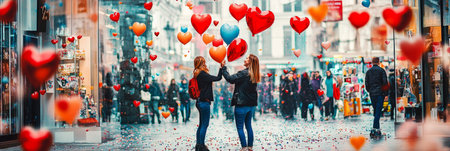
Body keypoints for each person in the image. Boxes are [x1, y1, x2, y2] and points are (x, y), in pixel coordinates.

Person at [221, 54, 260, 151]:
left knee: (240, 127)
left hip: (241, 104)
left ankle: (244, 147)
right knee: (248, 126)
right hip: (251, 105)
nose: (245, 59)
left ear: (250, 62)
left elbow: (230, 79)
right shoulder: (254, 74)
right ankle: (250, 147)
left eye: (247, 58)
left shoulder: (244, 73)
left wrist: (223, 68)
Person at [194, 56, 223, 151]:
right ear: (202, 63)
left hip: (199, 101)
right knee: (204, 125)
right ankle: (201, 146)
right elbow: (218, 78)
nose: (205, 64)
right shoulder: (203, 74)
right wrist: (221, 68)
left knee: (201, 124)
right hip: (204, 102)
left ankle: (198, 145)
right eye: (204, 62)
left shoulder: (196, 73)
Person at [365, 57, 388, 138]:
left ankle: (376, 128)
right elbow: (385, 83)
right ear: (378, 62)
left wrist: (370, 90)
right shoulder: (382, 71)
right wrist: (385, 94)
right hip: (380, 93)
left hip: (372, 93)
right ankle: (376, 128)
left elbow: (366, 84)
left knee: (376, 110)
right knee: (378, 110)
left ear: (372, 62)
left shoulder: (368, 72)